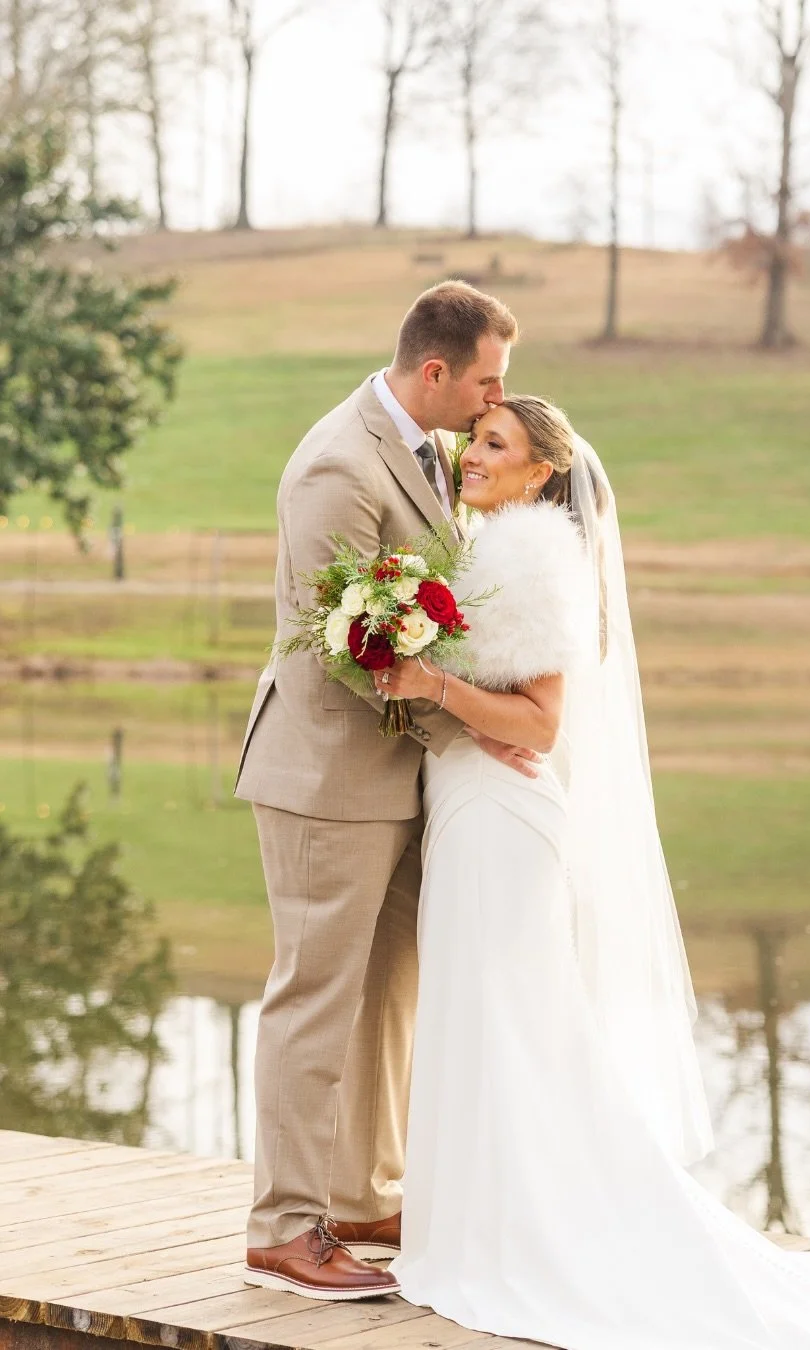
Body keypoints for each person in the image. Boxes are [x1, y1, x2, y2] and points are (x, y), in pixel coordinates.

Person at [379, 395, 810, 1349]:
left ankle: (530, 1232)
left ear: (543, 471)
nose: (473, 454)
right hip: (468, 805)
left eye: (495, 445)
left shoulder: (540, 558)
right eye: (476, 439)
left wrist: (434, 685)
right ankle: (474, 1220)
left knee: (515, 1019)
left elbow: (541, 724)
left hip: (505, 818)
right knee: (480, 1014)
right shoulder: (481, 547)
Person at [236, 282, 541, 1301]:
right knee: (314, 1000)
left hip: (401, 778)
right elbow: (346, 654)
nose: (502, 397)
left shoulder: (432, 452)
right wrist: (476, 721)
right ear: (437, 372)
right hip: (326, 777)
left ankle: (365, 1195)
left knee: (387, 998)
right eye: (490, 378)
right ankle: (284, 1228)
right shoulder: (339, 463)